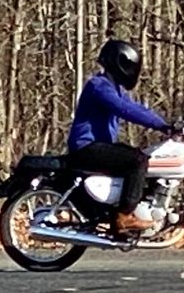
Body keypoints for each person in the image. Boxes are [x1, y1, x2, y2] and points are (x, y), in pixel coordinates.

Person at [67, 37, 171, 233]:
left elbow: (135, 107)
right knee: (137, 160)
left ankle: (125, 210)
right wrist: (161, 126)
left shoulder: (113, 88)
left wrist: (166, 124)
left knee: (136, 157)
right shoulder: (99, 85)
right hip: (86, 148)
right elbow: (123, 109)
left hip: (97, 146)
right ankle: (124, 216)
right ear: (119, 63)